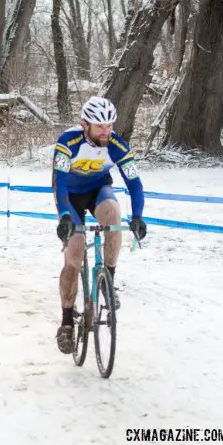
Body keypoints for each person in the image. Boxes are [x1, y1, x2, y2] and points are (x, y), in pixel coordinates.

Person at [52, 96, 147, 354]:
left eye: (110, 126)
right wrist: (64, 217)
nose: (106, 132)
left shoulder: (115, 143)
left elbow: (134, 183)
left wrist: (137, 216)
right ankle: (67, 321)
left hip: (97, 191)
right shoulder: (67, 142)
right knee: (74, 254)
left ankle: (108, 281)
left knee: (114, 215)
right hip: (70, 196)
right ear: (85, 125)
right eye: (100, 127)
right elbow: (58, 184)